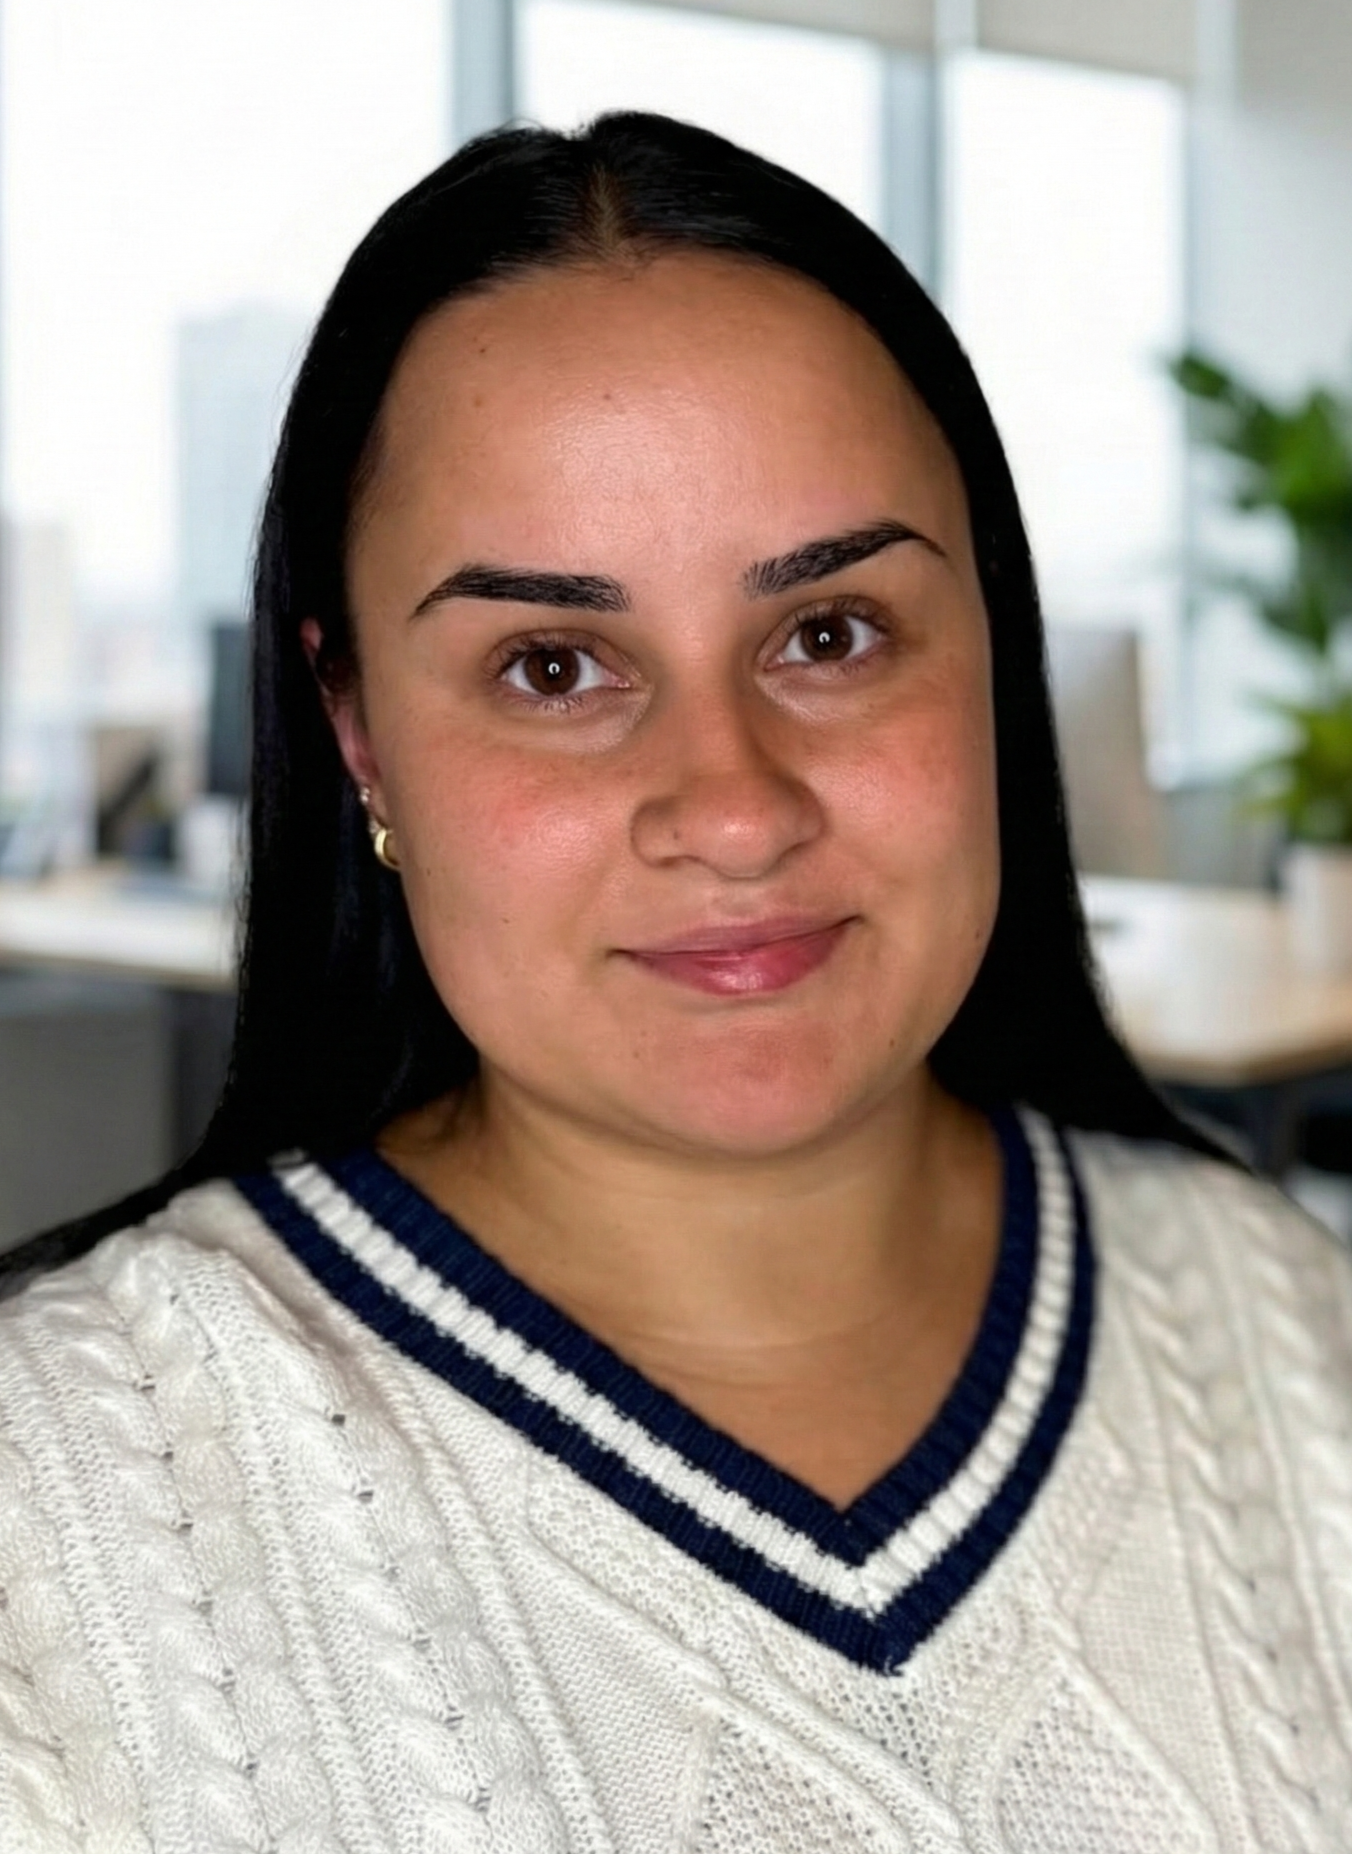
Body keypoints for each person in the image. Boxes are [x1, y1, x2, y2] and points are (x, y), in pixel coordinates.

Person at [0, 112, 1348, 1851]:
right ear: (358, 734)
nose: (731, 805)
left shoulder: (1294, 1336)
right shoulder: (55, 1520)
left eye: (830, 634)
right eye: (553, 663)